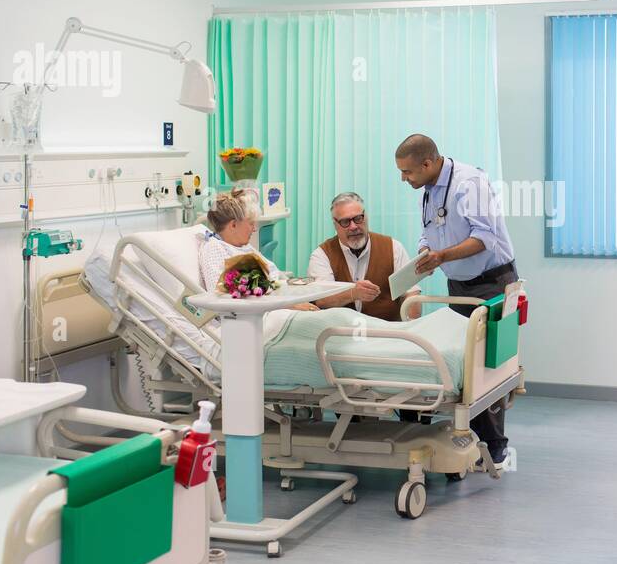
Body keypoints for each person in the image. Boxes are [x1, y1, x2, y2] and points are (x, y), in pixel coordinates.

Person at [395, 133, 516, 468]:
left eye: (408, 172)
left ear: (428, 163)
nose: (404, 179)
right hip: (459, 284)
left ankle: (494, 448)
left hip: (491, 283)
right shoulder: (431, 189)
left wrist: (442, 255)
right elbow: (430, 230)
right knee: (463, 366)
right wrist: (424, 252)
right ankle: (466, 439)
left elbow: (485, 238)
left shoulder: (470, 183)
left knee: (485, 368)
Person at [306, 192, 419, 320]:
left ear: (366, 217)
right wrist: (353, 294)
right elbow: (322, 300)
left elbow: (412, 294)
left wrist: (410, 328)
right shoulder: (321, 255)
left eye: (358, 218)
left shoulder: (393, 248)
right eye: (345, 222)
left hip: (388, 333)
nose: (353, 226)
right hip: (340, 334)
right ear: (335, 225)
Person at [198, 189, 317, 310]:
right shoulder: (214, 249)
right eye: (250, 223)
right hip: (255, 317)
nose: (254, 229)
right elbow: (223, 298)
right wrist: (290, 305)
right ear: (233, 225)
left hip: (276, 306)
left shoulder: (245, 247)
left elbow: (273, 275)